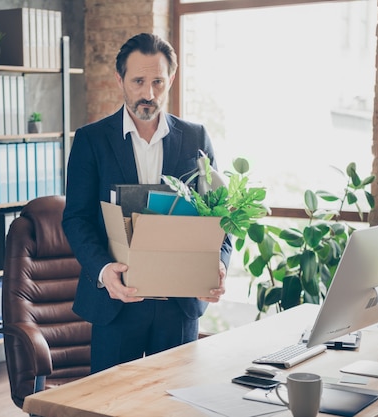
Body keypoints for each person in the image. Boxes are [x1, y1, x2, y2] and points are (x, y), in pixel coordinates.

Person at [62, 33, 232, 373]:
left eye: (157, 81)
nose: (148, 93)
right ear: (119, 79)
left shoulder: (196, 137)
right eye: (138, 81)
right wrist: (103, 270)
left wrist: (220, 264)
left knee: (173, 402)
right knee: (110, 405)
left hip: (179, 304)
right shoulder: (91, 140)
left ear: (171, 79)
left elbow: (221, 216)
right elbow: (76, 218)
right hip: (116, 300)